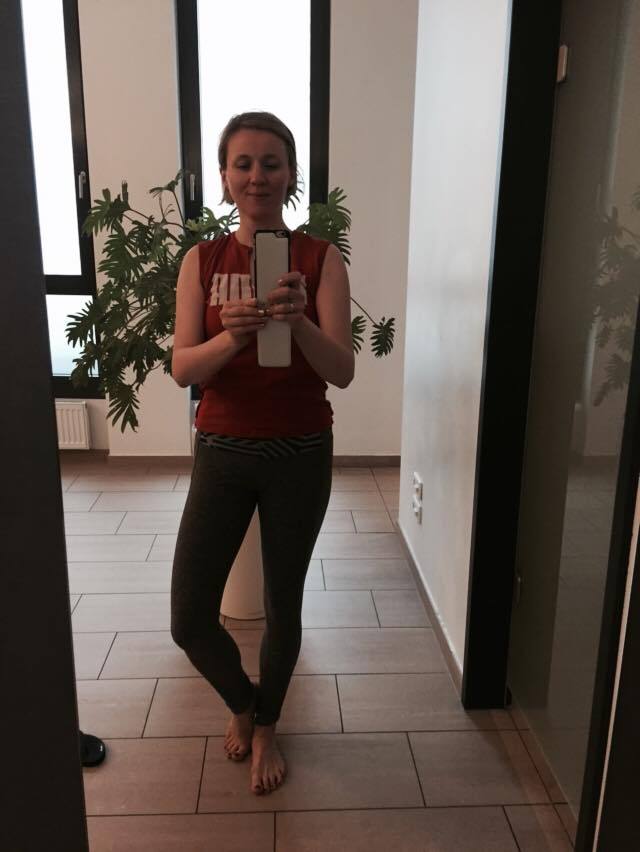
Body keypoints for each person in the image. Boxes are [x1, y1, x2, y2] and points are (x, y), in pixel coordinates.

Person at [170, 111, 354, 796]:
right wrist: (233, 337)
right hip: (222, 449)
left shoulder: (320, 259)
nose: (257, 176)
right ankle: (243, 701)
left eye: (271, 163)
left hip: (300, 452)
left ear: (291, 175)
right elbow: (183, 368)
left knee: (283, 605)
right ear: (224, 177)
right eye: (242, 163)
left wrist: (297, 322)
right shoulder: (202, 261)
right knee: (189, 618)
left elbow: (342, 370)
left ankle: (268, 723)